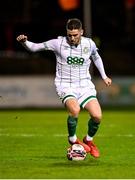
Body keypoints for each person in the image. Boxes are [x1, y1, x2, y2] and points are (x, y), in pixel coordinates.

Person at [16, 18, 112, 158]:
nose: (72, 38)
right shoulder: (58, 43)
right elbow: (34, 47)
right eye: (69, 35)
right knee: (75, 109)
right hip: (65, 85)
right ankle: (73, 139)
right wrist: (24, 42)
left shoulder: (89, 44)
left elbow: (96, 57)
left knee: (97, 116)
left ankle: (89, 140)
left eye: (75, 35)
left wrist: (104, 76)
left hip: (85, 85)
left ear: (81, 32)